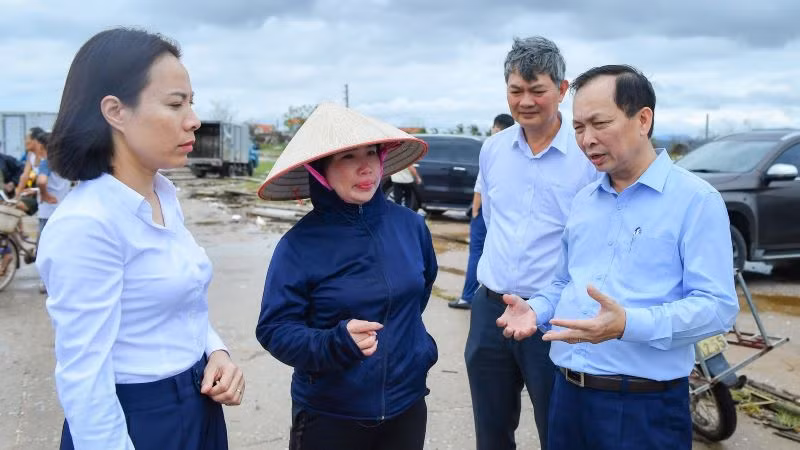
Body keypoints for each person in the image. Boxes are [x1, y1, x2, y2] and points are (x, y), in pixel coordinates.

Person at [496, 65, 739, 450]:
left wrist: (628, 324)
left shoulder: (695, 201)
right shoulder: (584, 201)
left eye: (599, 123)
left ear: (643, 119)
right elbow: (564, 282)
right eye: (578, 128)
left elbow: (717, 307)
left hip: (645, 406)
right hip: (568, 395)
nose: (587, 139)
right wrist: (536, 309)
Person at [36, 28, 244, 450]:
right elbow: (84, 378)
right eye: (175, 103)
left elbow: (180, 305)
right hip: (138, 421)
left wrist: (215, 352)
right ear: (115, 111)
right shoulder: (87, 224)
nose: (193, 119)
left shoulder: (164, 198)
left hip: (198, 404)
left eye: (191, 102)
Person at [255, 102, 437, 450]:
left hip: (407, 404)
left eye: (371, 152)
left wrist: (416, 350)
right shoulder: (298, 245)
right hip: (331, 413)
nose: (365, 166)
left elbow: (420, 291)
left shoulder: (411, 226)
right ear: (320, 170)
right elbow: (274, 329)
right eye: (347, 156)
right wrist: (335, 343)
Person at [464, 37, 597, 450]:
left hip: (554, 314)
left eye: (537, 90)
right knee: (491, 428)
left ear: (561, 89)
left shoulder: (587, 155)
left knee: (557, 428)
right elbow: (489, 220)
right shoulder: (493, 149)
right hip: (492, 309)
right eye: (516, 90)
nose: (525, 101)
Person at [449, 113, 514, 310]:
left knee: (476, 254)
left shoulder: (493, 147)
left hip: (486, 214)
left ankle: (467, 296)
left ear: (497, 128)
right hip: (505, 216)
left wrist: (476, 211)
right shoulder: (515, 150)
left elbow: (480, 187)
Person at [14, 127, 47, 216]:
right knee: (13, 204)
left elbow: (50, 181)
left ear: (36, 140)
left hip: (49, 194)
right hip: (38, 192)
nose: (25, 142)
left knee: (19, 205)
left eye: (27, 139)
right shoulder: (30, 154)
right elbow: (25, 176)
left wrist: (35, 190)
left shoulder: (46, 155)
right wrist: (17, 195)